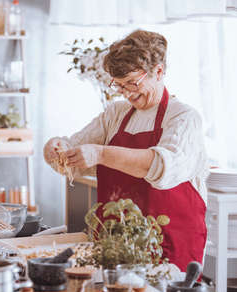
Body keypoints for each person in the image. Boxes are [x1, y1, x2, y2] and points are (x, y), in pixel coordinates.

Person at [44, 29, 208, 272]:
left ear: (159, 71)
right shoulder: (116, 114)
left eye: (133, 83)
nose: (128, 93)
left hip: (169, 248)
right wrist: (57, 149)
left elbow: (161, 167)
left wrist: (100, 153)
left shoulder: (184, 117)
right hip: (115, 247)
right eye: (119, 85)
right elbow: (74, 148)